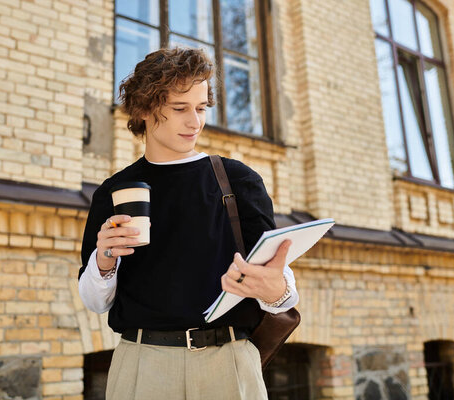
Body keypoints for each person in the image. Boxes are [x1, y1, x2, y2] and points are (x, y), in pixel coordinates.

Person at [78, 47, 299, 400]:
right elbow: (95, 302)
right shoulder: (113, 192)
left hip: (228, 364)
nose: (194, 122)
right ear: (146, 110)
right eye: (180, 109)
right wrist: (104, 260)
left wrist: (276, 291)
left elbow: (280, 290)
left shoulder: (238, 181)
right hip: (141, 365)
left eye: (201, 108)